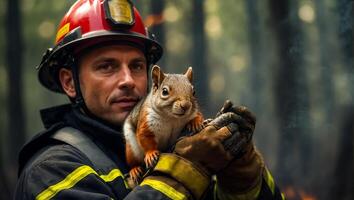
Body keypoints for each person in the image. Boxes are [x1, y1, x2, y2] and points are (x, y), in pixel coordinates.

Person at [14, 0, 284, 199]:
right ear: (69, 82)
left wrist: (242, 175)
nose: (128, 80)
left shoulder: (178, 143)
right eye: (106, 66)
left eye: (137, 66)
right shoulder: (51, 169)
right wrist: (185, 168)